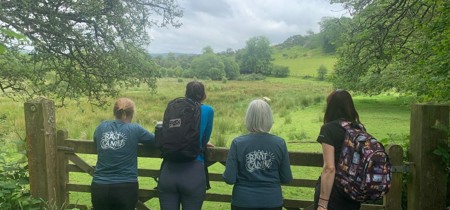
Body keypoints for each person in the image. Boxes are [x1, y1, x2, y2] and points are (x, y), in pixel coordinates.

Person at [223, 99, 293, 210]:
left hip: (243, 201)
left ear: (248, 118)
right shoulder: (280, 143)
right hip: (272, 201)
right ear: (269, 118)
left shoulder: (238, 143)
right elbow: (287, 178)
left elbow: (229, 178)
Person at [157, 81, 215, 210]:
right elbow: (204, 138)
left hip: (168, 171)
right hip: (193, 171)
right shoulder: (207, 110)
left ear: (186, 93)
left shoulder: (174, 108)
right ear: (203, 95)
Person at [91, 97, 156, 210]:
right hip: (126, 186)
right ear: (132, 113)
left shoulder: (101, 127)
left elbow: (96, 141)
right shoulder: (135, 129)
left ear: (114, 112)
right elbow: (155, 141)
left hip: (100, 185)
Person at [314, 89, 362, 210]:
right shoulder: (359, 128)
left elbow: (329, 168)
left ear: (330, 107)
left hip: (334, 193)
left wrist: (322, 204)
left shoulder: (328, 129)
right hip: (353, 192)